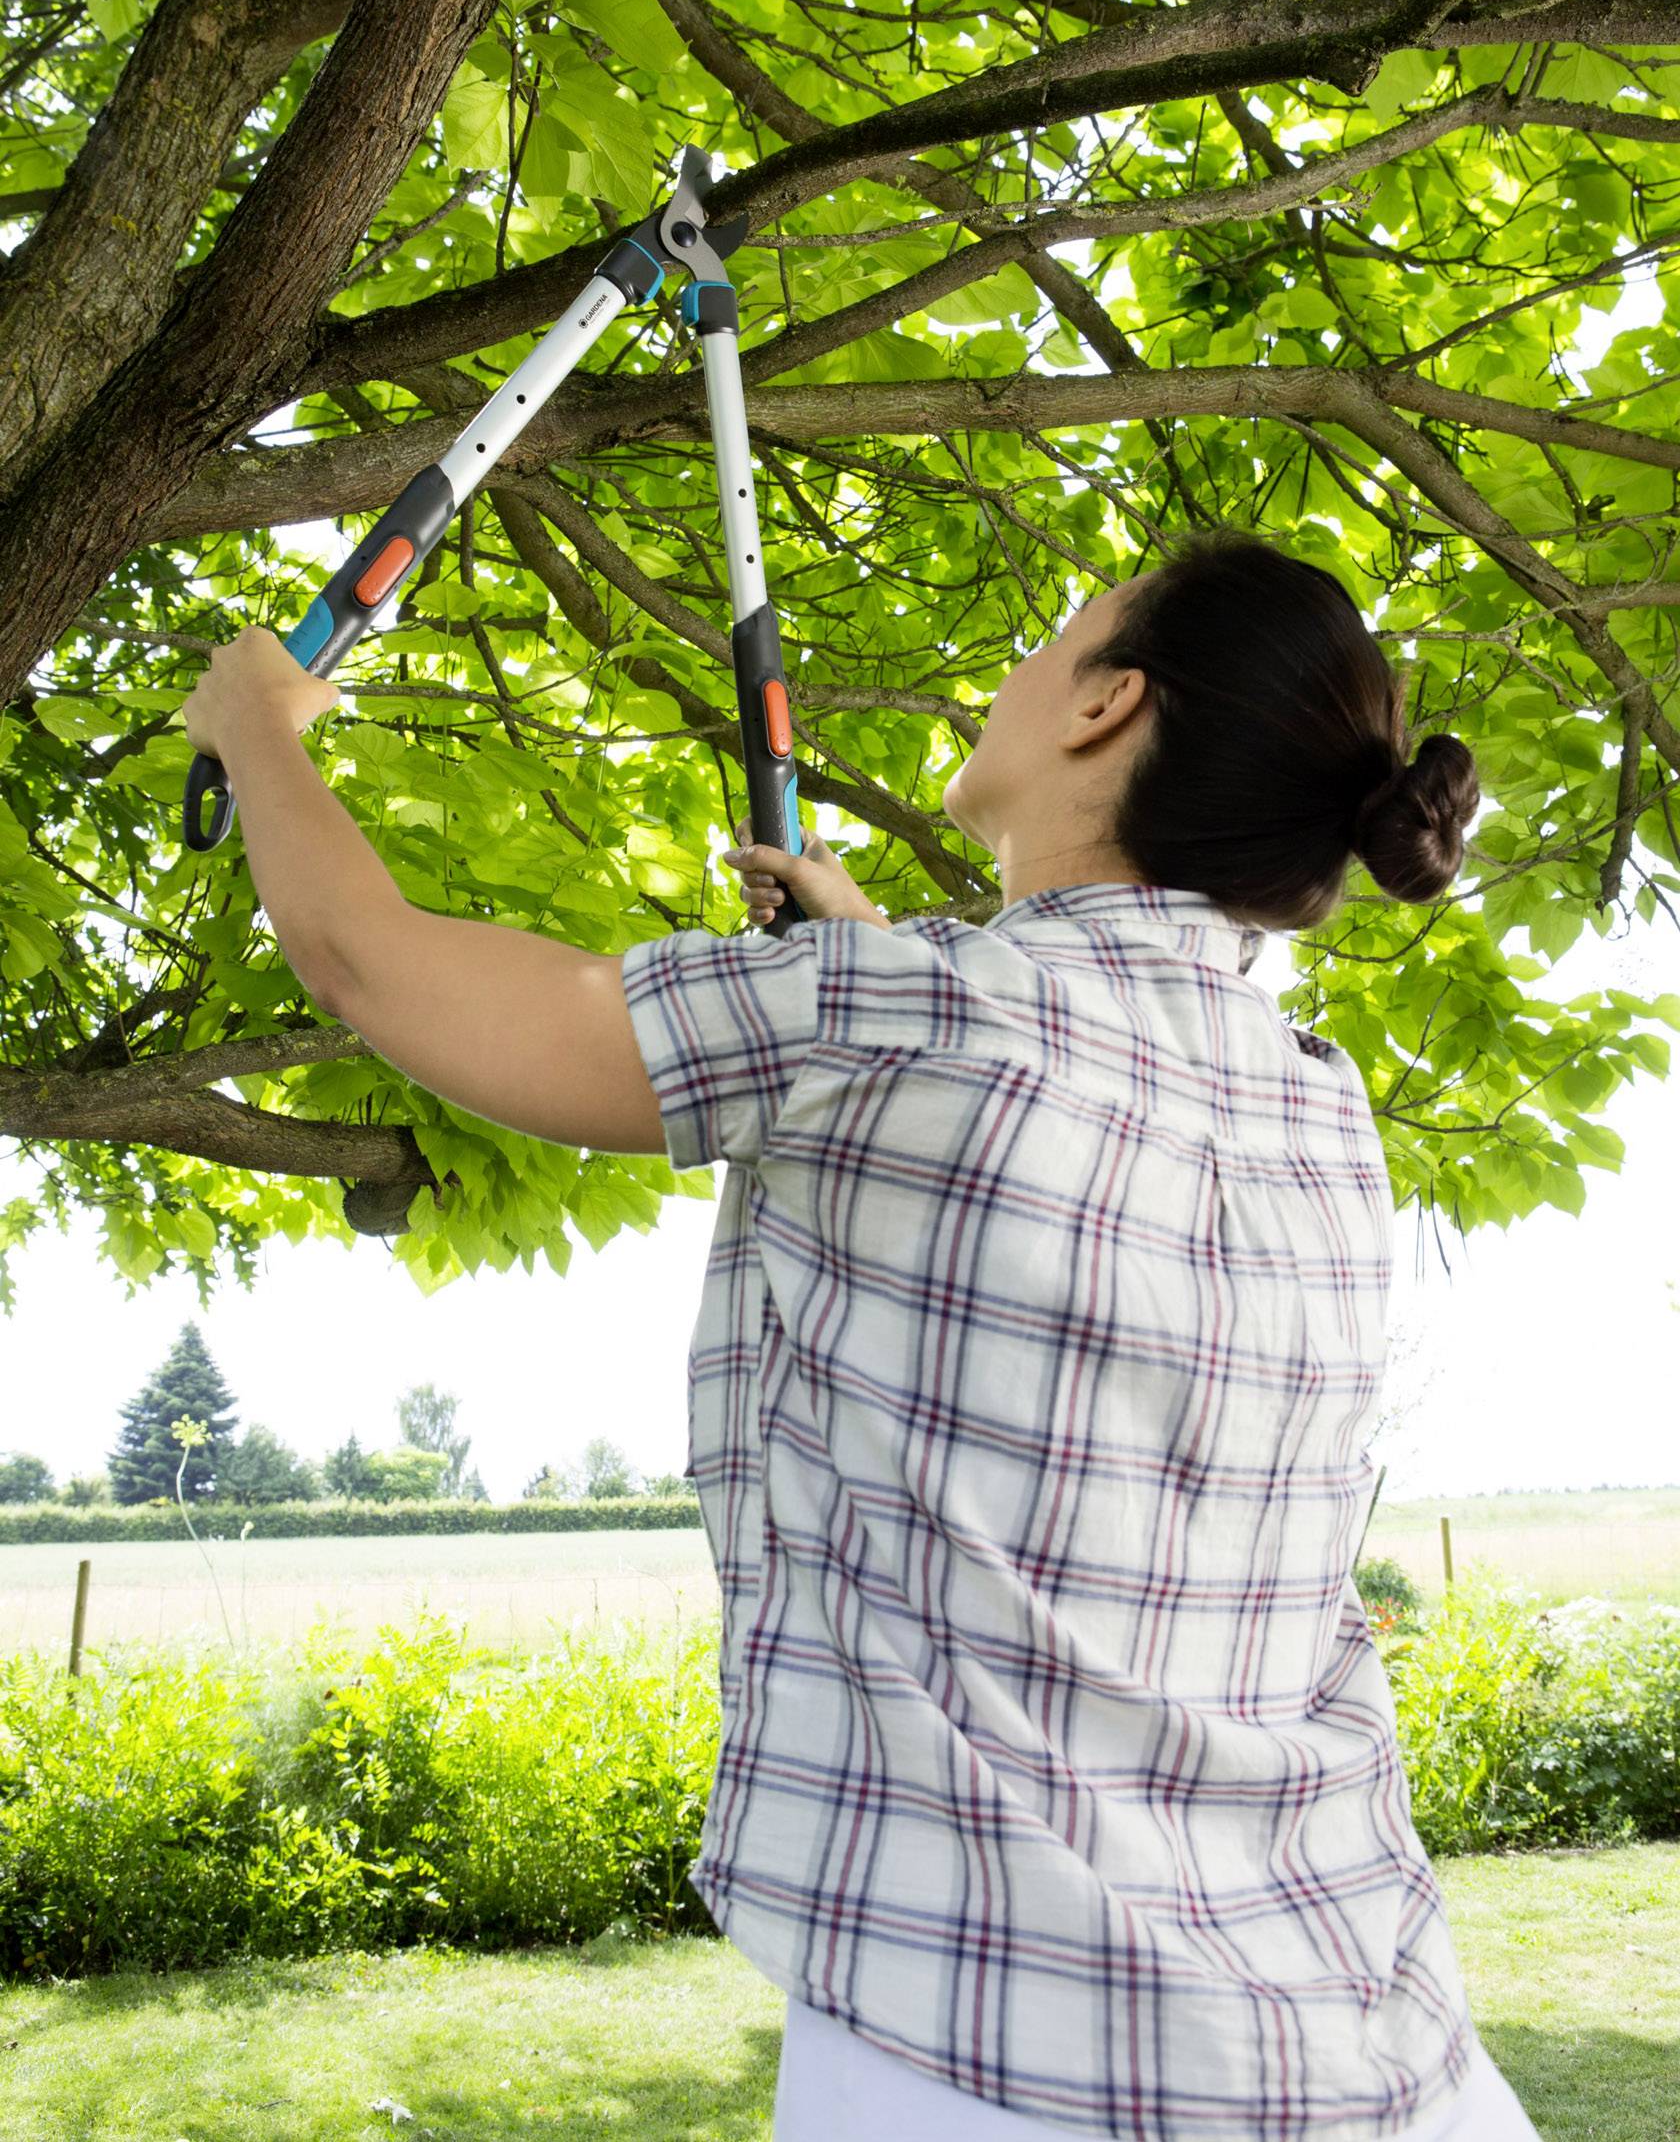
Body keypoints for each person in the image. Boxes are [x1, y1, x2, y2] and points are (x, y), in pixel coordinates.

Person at [181, 523, 1535, 2140]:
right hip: (1375, 2047)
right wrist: (872, 972)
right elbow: (1030, 1239)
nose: (1022, 672)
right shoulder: (1321, 1114)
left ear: (1108, 708)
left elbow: (373, 963)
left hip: (1009, 2051)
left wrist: (256, 723)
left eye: (1060, 635)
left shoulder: (903, 1021)